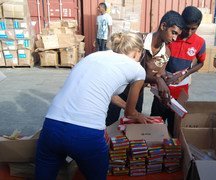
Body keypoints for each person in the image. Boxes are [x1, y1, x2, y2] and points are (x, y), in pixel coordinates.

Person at [35, 32, 152, 180]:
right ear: (138, 52)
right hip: (86, 133)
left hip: (52, 125)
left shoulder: (94, 56)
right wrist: (138, 115)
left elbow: (105, 93)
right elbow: (130, 113)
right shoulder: (137, 69)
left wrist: (128, 109)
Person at [106, 10, 185, 126]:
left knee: (134, 123)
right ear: (163, 26)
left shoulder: (166, 52)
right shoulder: (137, 40)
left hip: (137, 92)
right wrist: (158, 80)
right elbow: (126, 69)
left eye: (177, 35)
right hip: (119, 87)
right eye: (173, 32)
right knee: (110, 121)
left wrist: (164, 79)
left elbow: (159, 74)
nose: (174, 38)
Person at [150, 6, 206, 137]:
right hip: (163, 85)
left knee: (175, 122)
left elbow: (201, 62)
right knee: (157, 120)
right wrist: (161, 75)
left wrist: (185, 74)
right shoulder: (171, 36)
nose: (189, 32)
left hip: (181, 88)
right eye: (186, 28)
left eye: (194, 29)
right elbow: (158, 58)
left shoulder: (199, 42)